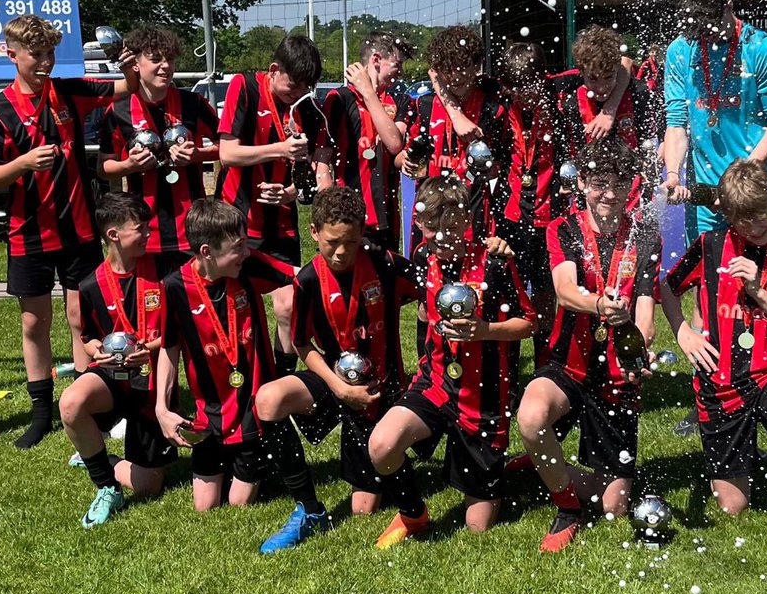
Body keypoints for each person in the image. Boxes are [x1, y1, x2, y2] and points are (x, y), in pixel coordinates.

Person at [0, 15, 138, 449]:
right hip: (27, 232)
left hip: (78, 229)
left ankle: (89, 401)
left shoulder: (68, 90)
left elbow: (124, 88)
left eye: (50, 53)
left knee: (79, 317)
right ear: (11, 54)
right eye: (36, 55)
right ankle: (40, 413)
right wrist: (23, 164)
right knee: (34, 321)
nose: (45, 62)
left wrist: (126, 64)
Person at [662, 159, 767, 551]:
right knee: (733, 508)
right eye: (744, 221)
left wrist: (758, 291)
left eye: (762, 216)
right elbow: (666, 287)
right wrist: (683, 332)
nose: (755, 228)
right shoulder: (711, 245)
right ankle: (748, 456)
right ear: (729, 215)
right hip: (719, 383)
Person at [154, 198, 331, 552]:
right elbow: (168, 348)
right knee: (205, 506)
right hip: (209, 416)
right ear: (206, 251)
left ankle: (267, 466)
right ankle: (260, 468)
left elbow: (302, 277)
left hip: (252, 411)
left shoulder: (248, 267)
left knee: (238, 503)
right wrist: (161, 406)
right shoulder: (174, 287)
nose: (245, 252)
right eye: (236, 247)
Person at [368, 173, 534, 541]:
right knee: (381, 446)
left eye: (453, 233)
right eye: (432, 235)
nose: (443, 245)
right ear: (420, 225)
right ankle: (414, 515)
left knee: (477, 527)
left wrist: (485, 330)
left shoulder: (494, 262)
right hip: (437, 385)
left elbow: (528, 323)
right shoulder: (423, 258)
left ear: (467, 223)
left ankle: (510, 468)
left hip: (485, 398)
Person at [662, 0, 767, 437]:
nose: (699, 34)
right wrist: (675, 174)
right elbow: (676, 123)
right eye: (691, 26)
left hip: (752, 192)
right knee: (708, 294)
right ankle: (710, 397)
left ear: (727, 5)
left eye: (706, 23)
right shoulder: (680, 51)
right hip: (703, 197)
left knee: (759, 290)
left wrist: (743, 175)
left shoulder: (761, 48)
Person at [254, 186, 427, 538]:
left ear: (362, 231)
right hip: (335, 385)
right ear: (314, 232)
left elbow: (430, 291)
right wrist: (338, 388)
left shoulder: (385, 263)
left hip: (382, 389)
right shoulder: (306, 280)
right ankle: (309, 508)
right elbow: (302, 344)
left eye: (350, 240)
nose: (341, 251)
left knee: (362, 509)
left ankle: (393, 453)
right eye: (332, 242)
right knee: (268, 400)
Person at [517, 138, 658, 553]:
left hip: (616, 373)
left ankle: (544, 466)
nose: (609, 194)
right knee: (530, 415)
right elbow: (563, 290)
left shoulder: (645, 234)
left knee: (614, 508)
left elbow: (646, 306)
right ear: (581, 183)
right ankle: (566, 506)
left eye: (618, 184)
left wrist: (639, 348)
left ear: (631, 185)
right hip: (569, 364)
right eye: (599, 183)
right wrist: (599, 304)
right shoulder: (563, 229)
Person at [59, 192, 174, 528]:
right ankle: (106, 485)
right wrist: (97, 352)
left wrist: (150, 348)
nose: (149, 234)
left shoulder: (166, 270)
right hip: (111, 377)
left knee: (150, 485)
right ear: (113, 235)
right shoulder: (91, 283)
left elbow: (179, 329)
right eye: (140, 229)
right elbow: (89, 336)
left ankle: (98, 456)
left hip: (151, 380)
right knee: (71, 403)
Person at [398, 25, 512, 355]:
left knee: (480, 295)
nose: (457, 78)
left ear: (477, 67)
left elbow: (503, 167)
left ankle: (484, 370)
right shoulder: (424, 105)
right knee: (427, 297)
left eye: (465, 70)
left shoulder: (493, 107)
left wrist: (489, 166)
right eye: (449, 72)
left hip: (474, 216)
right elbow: (404, 159)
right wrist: (406, 162)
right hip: (430, 218)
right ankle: (428, 368)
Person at [215, 34, 325, 374]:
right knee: (235, 308)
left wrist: (291, 192)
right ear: (274, 70)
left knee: (290, 306)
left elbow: (309, 173)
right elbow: (227, 153)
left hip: (281, 222)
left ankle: (280, 379)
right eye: (293, 85)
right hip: (238, 221)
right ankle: (239, 379)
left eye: (304, 87)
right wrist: (279, 149)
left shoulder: (305, 106)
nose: (297, 93)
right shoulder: (244, 87)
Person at [99, 27, 220, 276]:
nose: (165, 66)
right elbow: (104, 167)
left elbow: (228, 147)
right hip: (144, 230)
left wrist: (197, 154)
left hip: (192, 227)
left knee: (192, 305)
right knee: (152, 305)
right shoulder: (118, 110)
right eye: (156, 60)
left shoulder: (193, 103)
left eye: (170, 59)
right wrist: (129, 166)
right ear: (135, 64)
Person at [314, 31, 414, 248]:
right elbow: (323, 151)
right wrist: (328, 196)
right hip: (348, 215)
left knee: (384, 278)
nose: (401, 73)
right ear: (376, 60)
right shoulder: (340, 98)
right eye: (397, 64)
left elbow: (395, 143)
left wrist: (368, 92)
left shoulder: (401, 101)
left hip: (387, 216)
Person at [496, 42, 558, 354]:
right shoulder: (502, 107)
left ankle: (547, 367)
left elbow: (624, 66)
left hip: (550, 217)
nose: (524, 94)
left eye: (530, 86)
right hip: (511, 217)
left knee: (547, 294)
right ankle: (509, 370)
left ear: (543, 77)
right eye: (517, 88)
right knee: (511, 295)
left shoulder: (560, 100)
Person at [557, 26, 661, 200]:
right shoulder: (573, 104)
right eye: (593, 78)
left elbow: (650, 140)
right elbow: (573, 152)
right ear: (581, 72)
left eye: (608, 77)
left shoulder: (638, 93)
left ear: (617, 72)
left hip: (634, 194)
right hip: (594, 196)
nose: (601, 87)